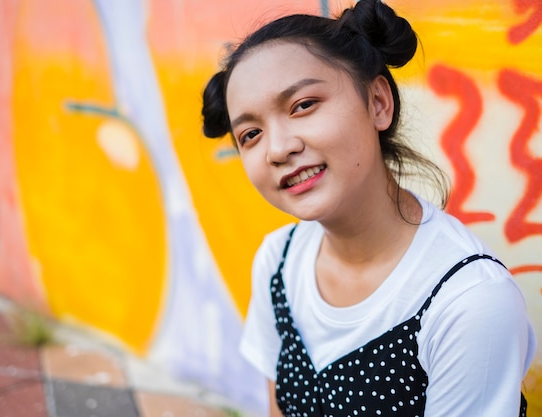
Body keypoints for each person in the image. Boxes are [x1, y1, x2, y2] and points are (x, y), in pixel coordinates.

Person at [201, 0, 537, 416]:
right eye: (250, 133)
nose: (278, 148)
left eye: (303, 105)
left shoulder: (468, 301)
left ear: (378, 102)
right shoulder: (278, 262)